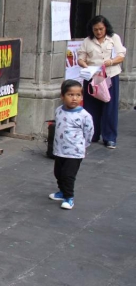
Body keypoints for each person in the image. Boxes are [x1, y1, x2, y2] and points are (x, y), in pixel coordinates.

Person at [77, 15, 127, 149]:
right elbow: (81, 58)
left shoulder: (114, 38)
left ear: (106, 28)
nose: (98, 32)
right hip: (93, 76)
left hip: (110, 75)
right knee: (91, 106)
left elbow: (121, 56)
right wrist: (84, 65)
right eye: (95, 30)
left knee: (109, 106)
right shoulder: (87, 41)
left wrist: (110, 62)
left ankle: (109, 137)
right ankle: (93, 134)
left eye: (101, 29)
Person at [49, 80, 94, 210]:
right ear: (62, 96)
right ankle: (62, 192)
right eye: (70, 94)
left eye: (78, 95)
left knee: (68, 175)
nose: (74, 98)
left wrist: (83, 146)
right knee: (58, 173)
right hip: (59, 150)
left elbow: (89, 132)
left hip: (74, 152)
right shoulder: (59, 111)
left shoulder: (84, 115)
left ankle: (69, 197)